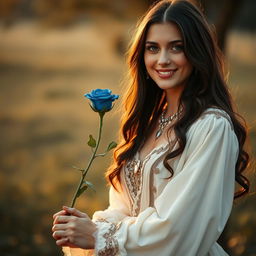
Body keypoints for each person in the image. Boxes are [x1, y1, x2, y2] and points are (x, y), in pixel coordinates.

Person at [52, 0, 250, 255]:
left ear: (198, 53)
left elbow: (179, 231)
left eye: (177, 47)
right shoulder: (147, 123)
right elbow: (123, 206)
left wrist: (98, 235)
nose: (163, 60)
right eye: (152, 48)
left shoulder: (211, 127)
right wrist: (88, 226)